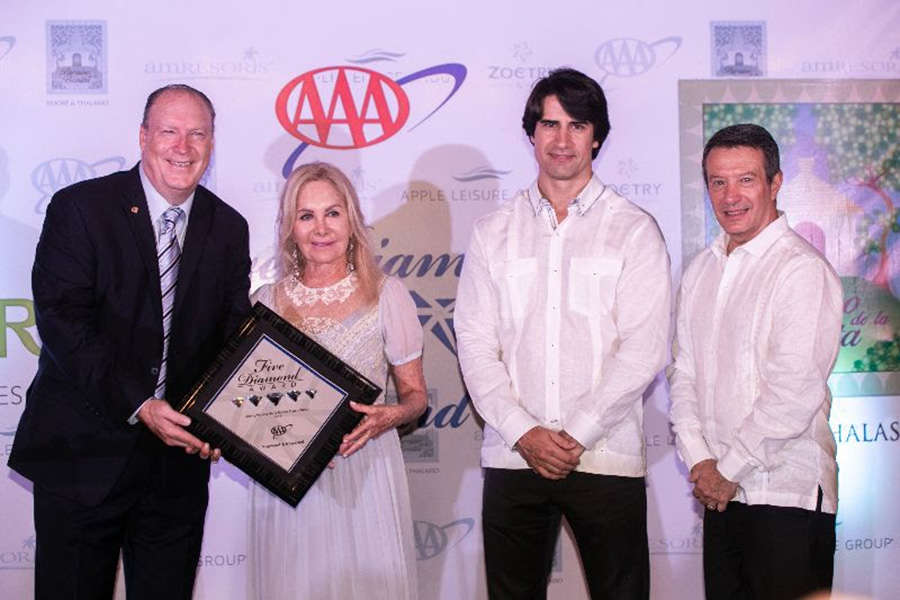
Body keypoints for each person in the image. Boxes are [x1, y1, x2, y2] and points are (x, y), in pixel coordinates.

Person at [8, 84, 251, 599]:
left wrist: (230, 418)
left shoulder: (228, 227)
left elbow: (235, 338)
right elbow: (63, 323)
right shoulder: (81, 209)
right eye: (169, 131)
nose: (182, 146)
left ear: (211, 143)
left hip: (176, 471)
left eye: (197, 133)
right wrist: (140, 404)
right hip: (82, 458)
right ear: (143, 138)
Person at [455, 68, 671, 599]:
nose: (562, 140)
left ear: (597, 136)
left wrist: (576, 433)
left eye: (578, 125)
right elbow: (476, 345)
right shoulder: (492, 233)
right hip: (513, 453)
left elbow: (644, 348)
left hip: (605, 453)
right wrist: (523, 431)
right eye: (550, 124)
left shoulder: (634, 229)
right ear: (531, 133)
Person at [668, 123, 843, 600]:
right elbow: (683, 374)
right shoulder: (701, 270)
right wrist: (700, 461)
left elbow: (793, 393)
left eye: (746, 179)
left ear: (775, 183)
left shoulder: (801, 270)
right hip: (722, 498)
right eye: (717, 182)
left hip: (785, 494)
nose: (731, 196)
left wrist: (726, 469)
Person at [247, 161, 426, 599]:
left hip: (365, 470)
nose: (321, 228)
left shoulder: (388, 294)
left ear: (352, 221)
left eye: (332, 213)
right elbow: (247, 409)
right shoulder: (264, 303)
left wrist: (393, 415)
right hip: (289, 481)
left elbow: (416, 396)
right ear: (290, 228)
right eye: (306, 216)